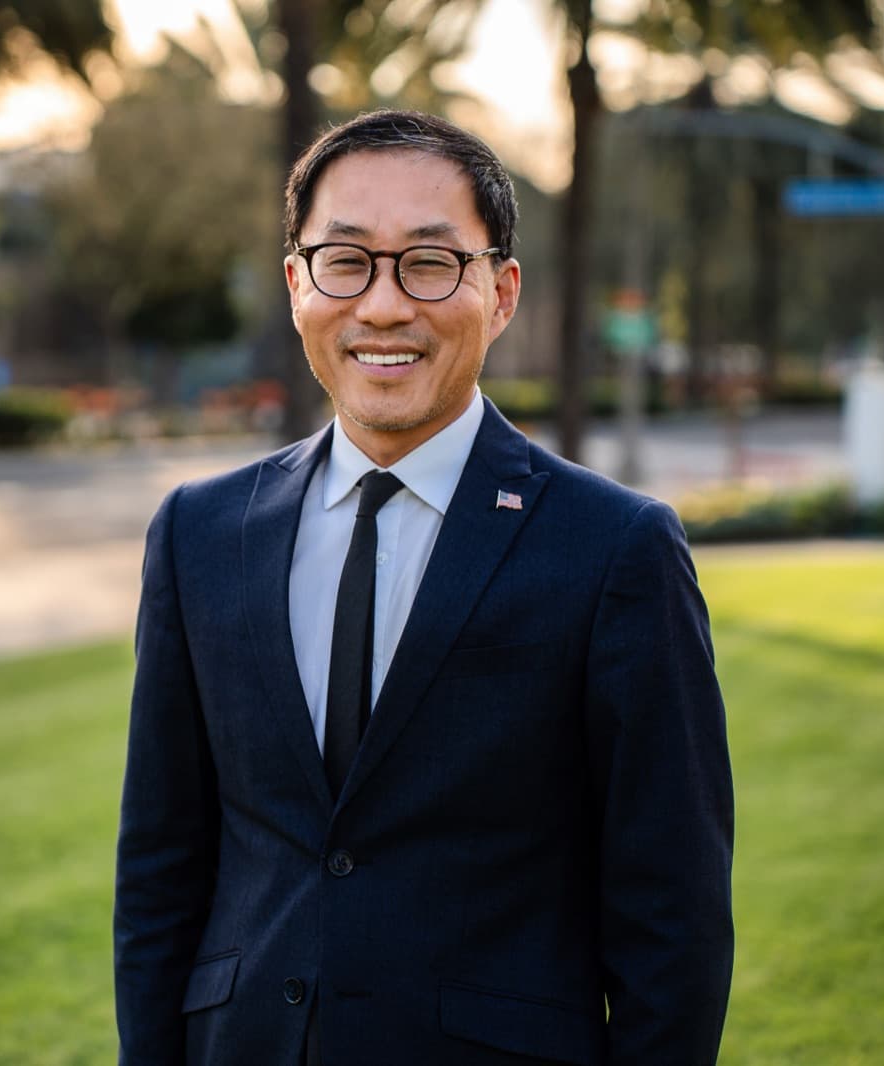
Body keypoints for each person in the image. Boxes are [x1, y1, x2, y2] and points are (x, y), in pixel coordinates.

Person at [115, 109, 734, 1066]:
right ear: (296, 285)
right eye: (347, 260)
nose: (384, 306)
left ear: (502, 292)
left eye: (431, 264)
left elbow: (674, 918)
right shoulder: (199, 534)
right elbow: (161, 870)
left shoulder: (616, 549)